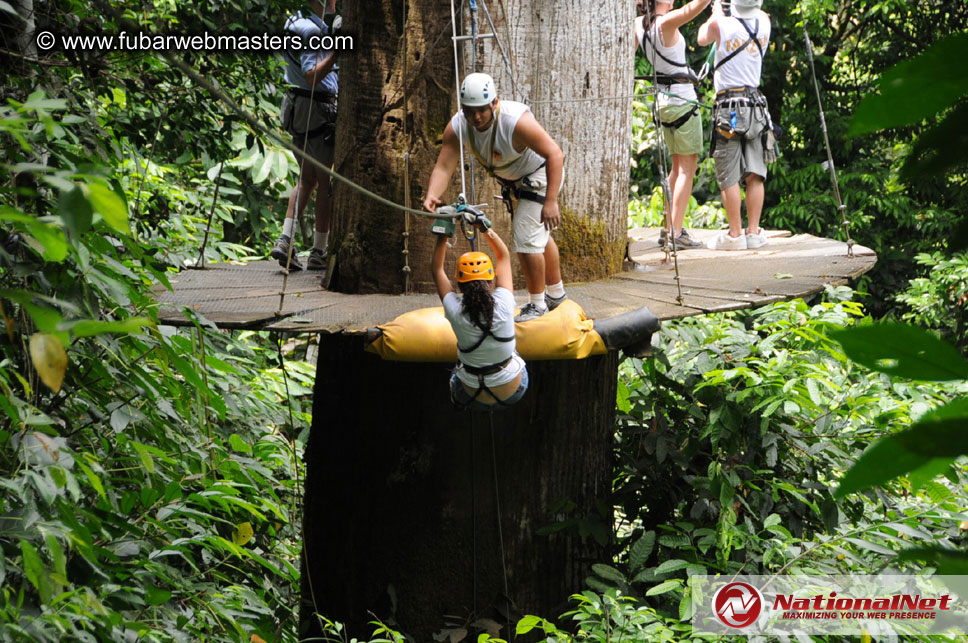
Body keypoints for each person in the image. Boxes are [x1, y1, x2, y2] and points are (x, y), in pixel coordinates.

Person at [423, 73, 567, 323]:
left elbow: (555, 153)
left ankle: (538, 304)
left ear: (494, 103)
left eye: (481, 110)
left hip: (541, 173)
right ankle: (556, 294)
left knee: (526, 237)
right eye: (470, 111)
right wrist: (433, 195)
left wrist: (551, 200)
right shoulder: (459, 126)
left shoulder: (514, 121)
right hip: (516, 181)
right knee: (538, 236)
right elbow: (445, 165)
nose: (476, 117)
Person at [430, 211, 528, 411]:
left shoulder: (455, 311)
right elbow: (503, 256)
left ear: (459, 285)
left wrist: (444, 232)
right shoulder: (504, 302)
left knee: (458, 371)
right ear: (491, 281)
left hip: (471, 393)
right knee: (514, 360)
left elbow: (437, 269)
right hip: (511, 392)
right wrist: (484, 228)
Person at [635, 0, 711, 250]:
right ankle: (675, 232)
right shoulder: (665, 23)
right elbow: (695, 8)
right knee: (686, 170)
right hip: (682, 101)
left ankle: (669, 227)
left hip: (663, 102)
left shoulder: (639, 25)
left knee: (677, 168)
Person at [698, 0, 773, 250]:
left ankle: (735, 234)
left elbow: (701, 38)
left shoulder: (721, 23)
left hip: (728, 107)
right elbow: (755, 12)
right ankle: (753, 232)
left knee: (728, 174)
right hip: (756, 106)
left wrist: (717, 11)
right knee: (755, 173)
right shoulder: (765, 22)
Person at [271, 0, 339, 271]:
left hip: (299, 109)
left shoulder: (295, 20)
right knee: (325, 183)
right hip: (317, 108)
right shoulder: (310, 31)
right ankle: (319, 250)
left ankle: (287, 238)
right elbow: (312, 76)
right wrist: (337, 55)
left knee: (306, 179)